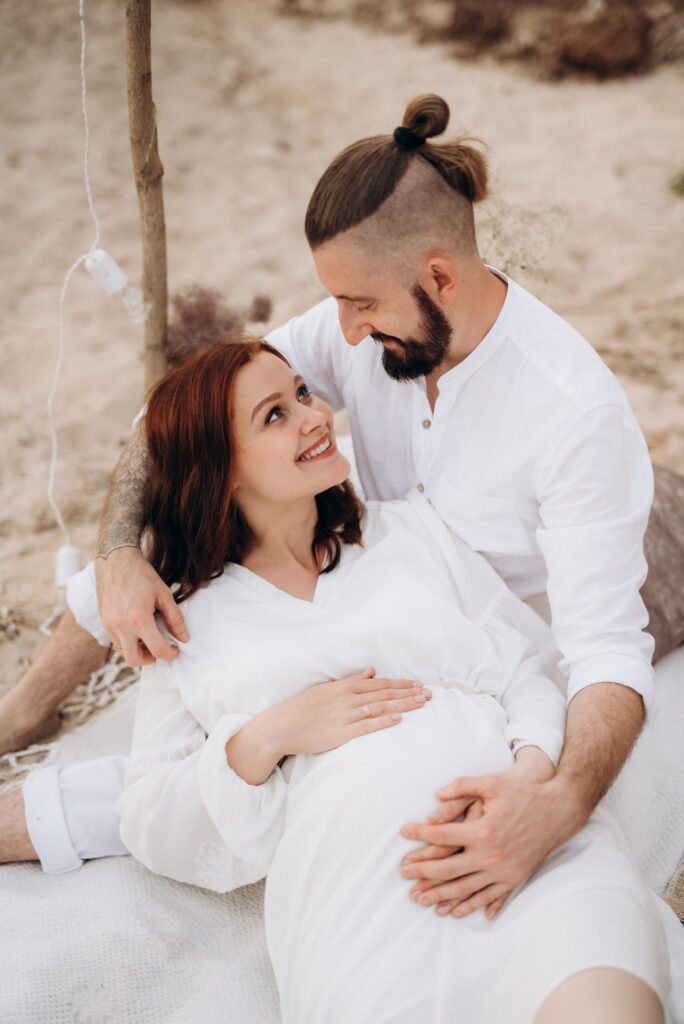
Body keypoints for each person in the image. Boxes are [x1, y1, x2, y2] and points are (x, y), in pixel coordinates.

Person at [0, 94, 656, 921]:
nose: (341, 334)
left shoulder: (571, 414)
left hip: (458, 647)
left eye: (360, 306)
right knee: (172, 531)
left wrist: (560, 803)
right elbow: (184, 414)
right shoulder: (385, 322)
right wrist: (119, 548)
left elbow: (607, 654)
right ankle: (25, 707)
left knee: (207, 777)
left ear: (439, 277)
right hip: (349, 574)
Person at [119, 336, 675, 1024]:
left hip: (524, 847)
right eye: (275, 415)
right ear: (221, 469)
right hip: (364, 898)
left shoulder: (411, 532)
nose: (314, 415)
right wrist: (272, 733)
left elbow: (530, 670)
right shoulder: (185, 621)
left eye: (303, 393)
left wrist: (530, 777)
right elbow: (147, 815)